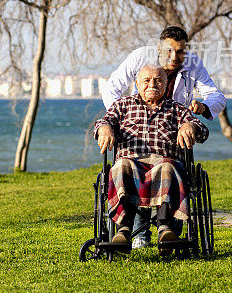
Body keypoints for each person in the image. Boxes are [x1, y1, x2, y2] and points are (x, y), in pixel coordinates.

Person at [100, 26, 225, 248]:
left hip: (169, 143)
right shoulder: (139, 59)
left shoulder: (187, 80)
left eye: (180, 52)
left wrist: (201, 111)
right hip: (133, 144)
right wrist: (118, 120)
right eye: (169, 51)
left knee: (167, 167)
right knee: (125, 166)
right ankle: (132, 231)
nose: (174, 57)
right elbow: (112, 88)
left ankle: (167, 230)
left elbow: (215, 96)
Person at [94, 65, 209, 250]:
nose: (152, 84)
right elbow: (104, 121)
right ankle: (123, 230)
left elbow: (202, 130)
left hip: (165, 161)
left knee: (167, 167)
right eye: (146, 80)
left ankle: (165, 228)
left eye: (158, 80)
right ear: (137, 84)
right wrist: (104, 129)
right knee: (121, 166)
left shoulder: (176, 109)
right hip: (131, 161)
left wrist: (190, 127)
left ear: (165, 85)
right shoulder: (123, 105)